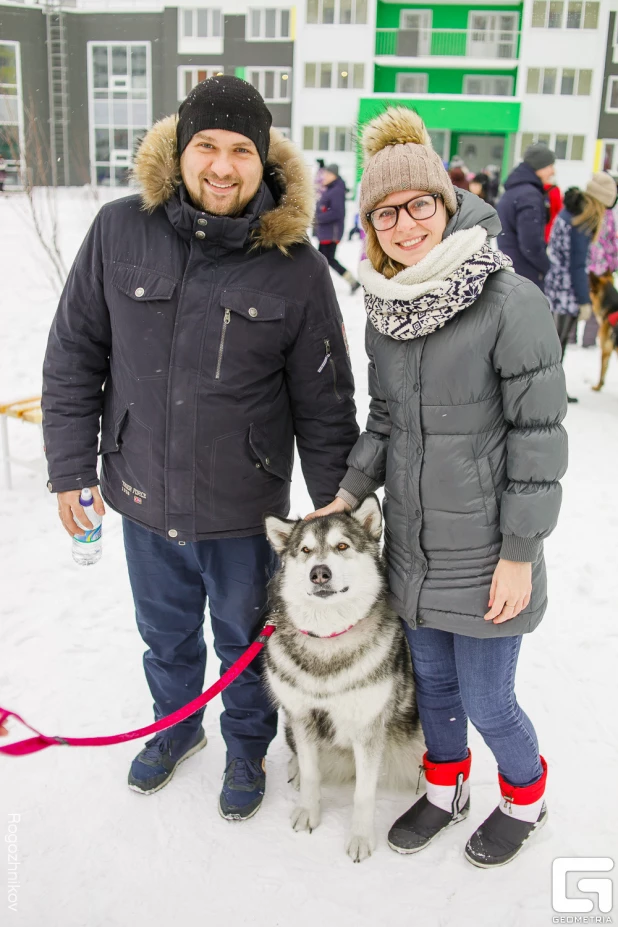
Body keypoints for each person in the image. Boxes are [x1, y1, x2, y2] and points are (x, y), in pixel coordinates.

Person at [41, 76, 358, 821]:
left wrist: (335, 509)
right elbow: (74, 354)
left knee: (246, 643)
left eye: (240, 149)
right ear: (180, 151)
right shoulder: (120, 231)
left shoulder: (298, 269)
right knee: (165, 634)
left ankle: (246, 744)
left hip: (243, 508)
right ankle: (176, 726)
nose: (222, 166)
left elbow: (325, 401)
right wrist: (69, 468)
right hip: (142, 490)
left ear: (264, 160)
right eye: (207, 147)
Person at [309, 106, 567, 868]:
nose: (405, 223)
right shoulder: (387, 312)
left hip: (489, 556)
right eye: (386, 212)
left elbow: (540, 441)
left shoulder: (509, 302)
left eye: (420, 204)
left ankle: (526, 795)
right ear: (371, 224)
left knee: (490, 700)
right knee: (434, 690)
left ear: (446, 203)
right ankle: (445, 786)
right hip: (415, 554)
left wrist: (520, 552)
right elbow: (384, 420)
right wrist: (350, 492)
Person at [544, 181, 613, 399]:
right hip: (567, 289)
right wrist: (584, 301)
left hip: (556, 283)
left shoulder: (570, 210)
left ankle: (550, 388)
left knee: (556, 341)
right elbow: (578, 265)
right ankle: (551, 391)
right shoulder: (583, 220)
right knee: (559, 342)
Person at [497, 142, 556, 289]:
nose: (553, 171)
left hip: (513, 270)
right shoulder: (529, 195)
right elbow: (530, 244)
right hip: (526, 275)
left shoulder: (515, 190)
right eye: (550, 166)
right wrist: (546, 267)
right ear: (540, 167)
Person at [583, 172, 618, 347]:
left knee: (598, 306)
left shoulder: (608, 214)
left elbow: (611, 241)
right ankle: (583, 340)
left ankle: (588, 340)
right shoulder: (591, 213)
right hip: (593, 270)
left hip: (604, 270)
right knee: (587, 302)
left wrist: (613, 263)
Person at [314, 163, 360, 293]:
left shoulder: (336, 190)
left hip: (331, 232)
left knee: (327, 260)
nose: (324, 177)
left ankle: (351, 281)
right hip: (326, 232)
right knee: (322, 261)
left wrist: (318, 218)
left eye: (327, 174)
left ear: (334, 175)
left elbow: (336, 212)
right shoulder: (330, 189)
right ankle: (317, 287)